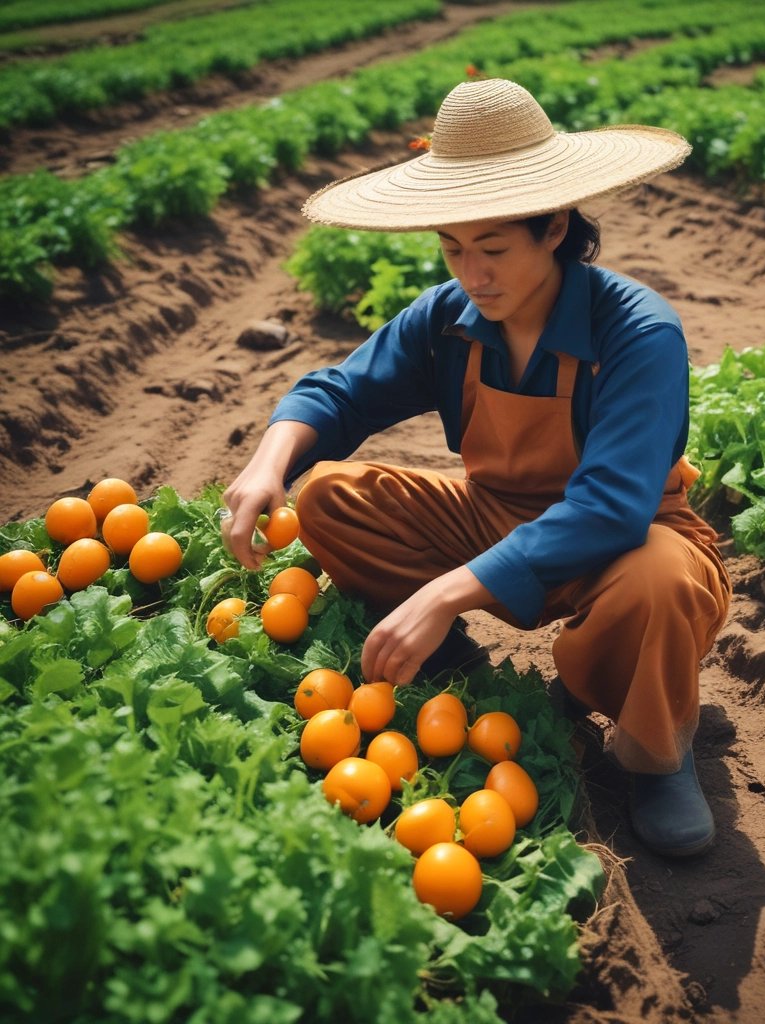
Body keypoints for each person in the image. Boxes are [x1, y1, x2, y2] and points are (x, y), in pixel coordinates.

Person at [220, 78, 731, 857]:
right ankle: (453, 653)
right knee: (329, 495)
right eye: (454, 248)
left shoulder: (637, 332)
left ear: (554, 227)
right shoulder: (448, 320)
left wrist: (445, 589)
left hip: (627, 539)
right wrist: (269, 464)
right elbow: (338, 392)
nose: (473, 273)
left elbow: (611, 507)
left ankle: (652, 751)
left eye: (493, 248)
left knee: (661, 581)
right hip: (493, 512)